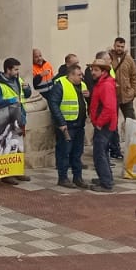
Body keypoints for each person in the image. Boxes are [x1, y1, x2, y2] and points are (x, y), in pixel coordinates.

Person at [0, 58, 32, 183]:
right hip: (6, 120)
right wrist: (11, 100)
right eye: (15, 69)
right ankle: (7, 174)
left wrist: (27, 89)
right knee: (8, 147)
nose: (18, 72)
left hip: (19, 117)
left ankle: (17, 171)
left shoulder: (19, 80)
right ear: (8, 69)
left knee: (19, 147)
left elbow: (27, 95)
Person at [53, 59, 88, 188]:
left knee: (77, 153)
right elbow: (54, 104)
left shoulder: (82, 85)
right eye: (79, 75)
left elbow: (86, 102)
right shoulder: (60, 85)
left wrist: (89, 96)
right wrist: (61, 123)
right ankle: (63, 178)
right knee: (64, 152)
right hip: (66, 125)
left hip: (79, 125)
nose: (81, 77)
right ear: (71, 75)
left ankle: (77, 177)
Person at [87, 59, 119, 192]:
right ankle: (106, 178)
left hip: (104, 125)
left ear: (103, 71)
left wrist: (99, 123)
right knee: (103, 152)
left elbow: (109, 108)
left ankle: (106, 183)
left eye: (96, 70)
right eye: (92, 69)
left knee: (99, 153)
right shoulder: (101, 83)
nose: (92, 72)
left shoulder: (105, 85)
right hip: (103, 123)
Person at [109, 37, 136, 122]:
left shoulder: (129, 59)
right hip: (113, 95)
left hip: (127, 95)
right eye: (118, 46)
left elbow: (134, 77)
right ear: (114, 45)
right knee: (113, 121)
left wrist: (134, 92)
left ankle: (131, 135)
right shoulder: (109, 58)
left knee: (131, 121)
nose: (120, 48)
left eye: (122, 46)